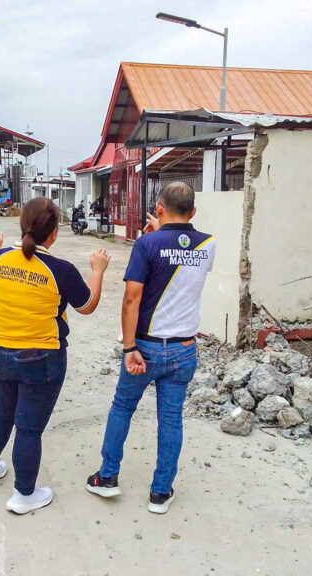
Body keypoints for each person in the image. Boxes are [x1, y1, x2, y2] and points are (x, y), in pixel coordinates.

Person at [86, 182, 215, 514]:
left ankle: (108, 477)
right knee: (171, 419)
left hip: (144, 347)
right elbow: (181, 252)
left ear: (159, 207)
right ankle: (160, 492)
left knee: (122, 407)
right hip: (185, 349)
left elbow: (132, 298)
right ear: (194, 211)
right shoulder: (209, 245)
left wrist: (129, 347)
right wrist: (164, 232)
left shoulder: (146, 244)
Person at [0, 197, 111, 515]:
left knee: (1, 413)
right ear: (53, 234)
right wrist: (98, 270)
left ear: (23, 226)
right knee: (29, 428)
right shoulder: (60, 270)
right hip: (42, 357)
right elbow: (87, 304)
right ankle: (24, 495)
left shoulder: (0, 260)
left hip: (0, 351)